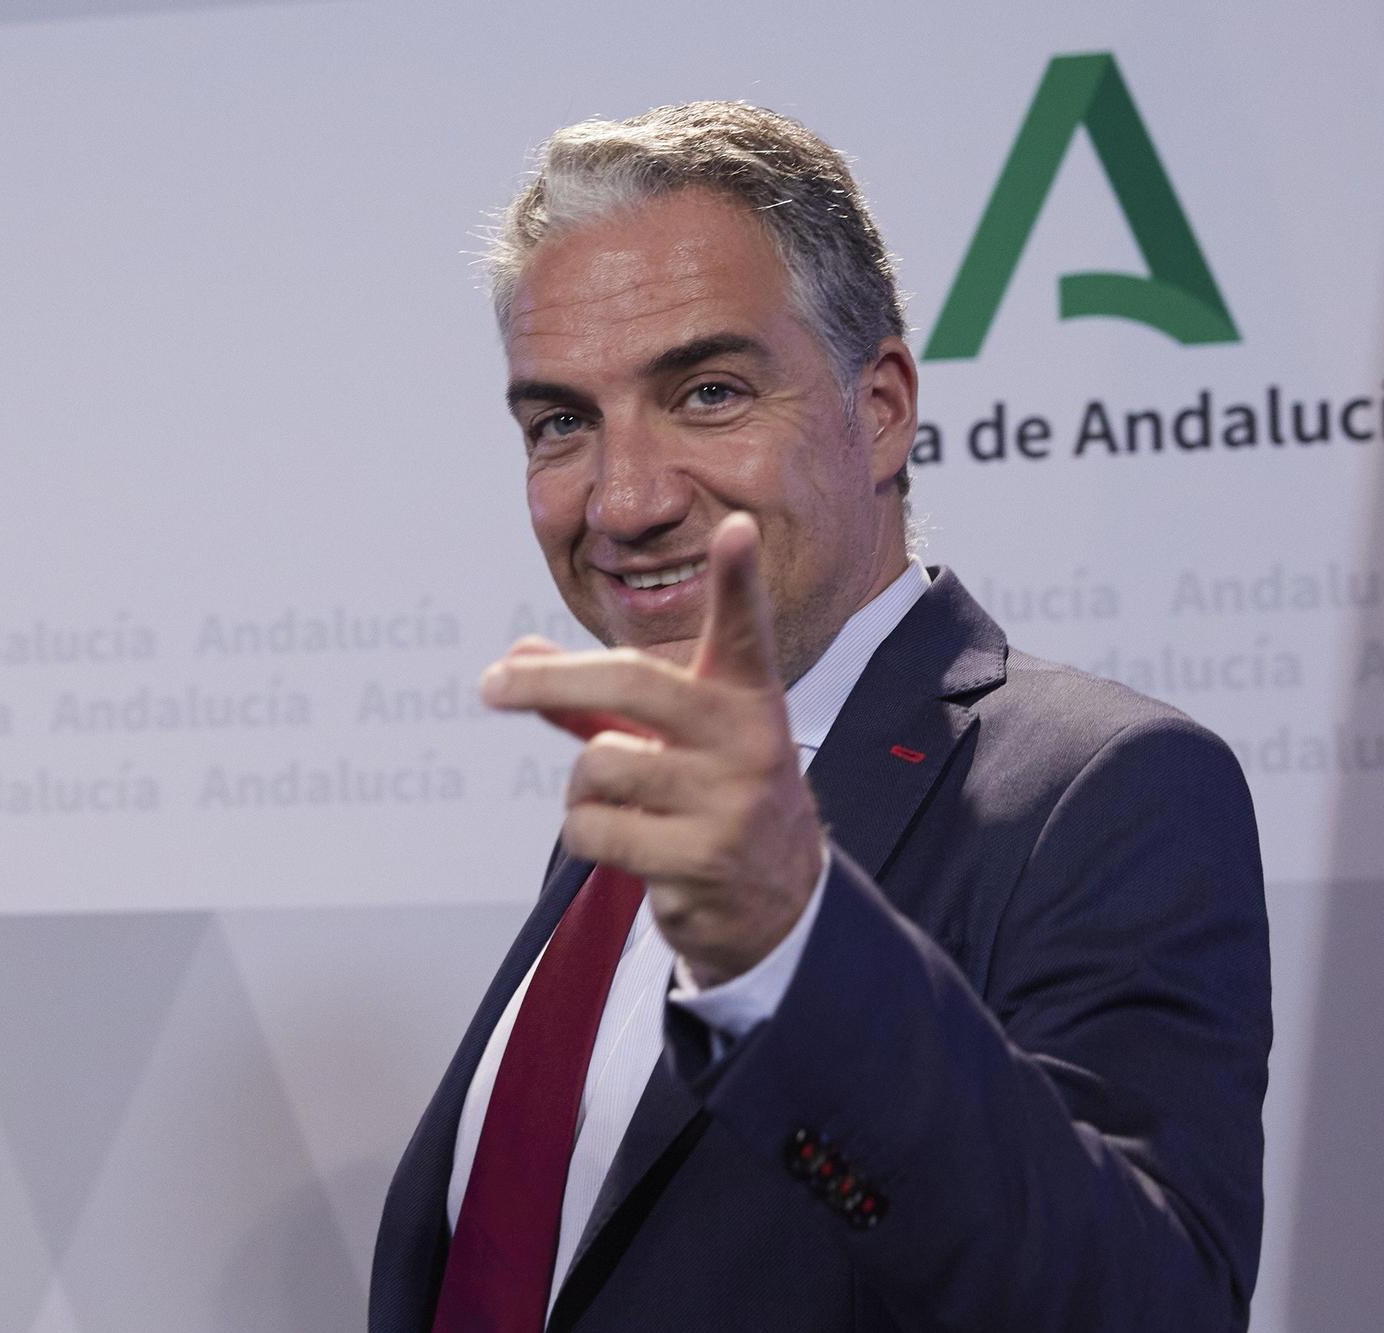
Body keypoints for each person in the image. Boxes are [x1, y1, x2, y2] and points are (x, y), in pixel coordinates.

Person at [370, 102, 1271, 1332]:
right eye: (561, 423)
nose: (622, 499)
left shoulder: (1105, 790)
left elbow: (1144, 1307)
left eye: (706, 392)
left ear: (882, 407)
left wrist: (789, 942)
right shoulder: (628, 817)